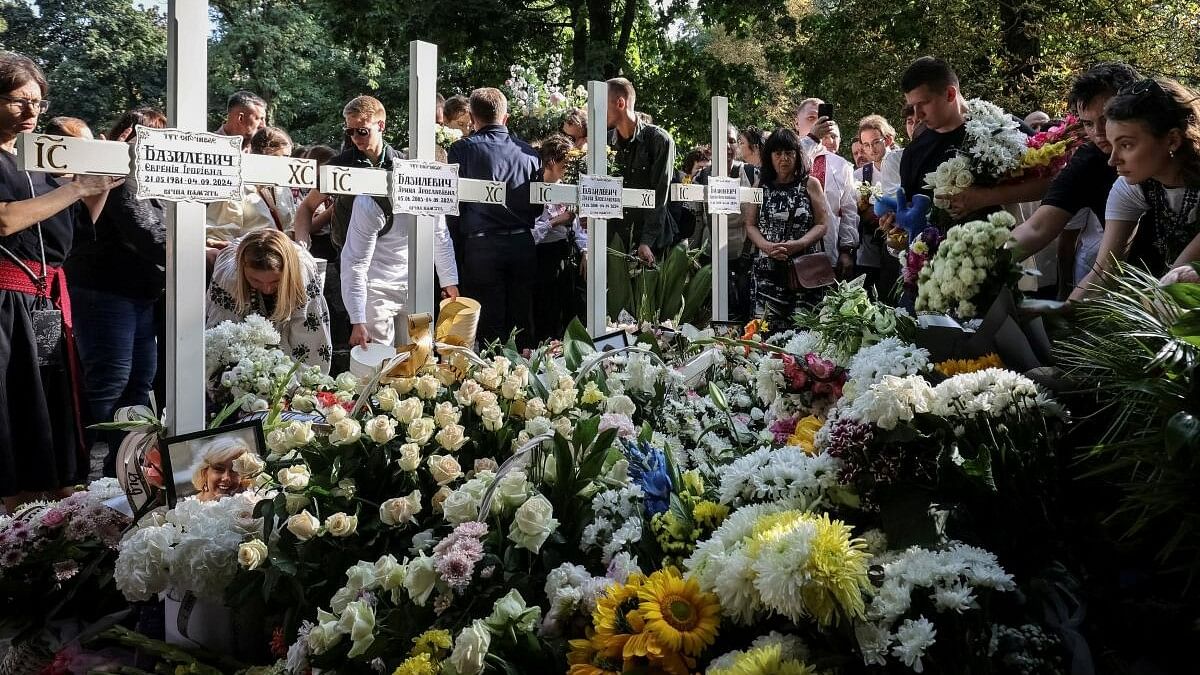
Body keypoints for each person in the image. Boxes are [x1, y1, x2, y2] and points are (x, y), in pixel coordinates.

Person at [0, 52, 122, 510]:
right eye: (18, 101)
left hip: (44, 302)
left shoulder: (38, 162)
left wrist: (99, 188)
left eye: (38, 102)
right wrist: (74, 187)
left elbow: (68, 237)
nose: (31, 112)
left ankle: (48, 524)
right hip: (3, 303)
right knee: (10, 412)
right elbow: (6, 221)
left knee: (46, 413)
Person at [65, 107, 168, 478]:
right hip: (105, 293)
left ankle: (125, 466)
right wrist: (199, 253)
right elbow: (146, 235)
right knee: (112, 381)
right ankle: (97, 471)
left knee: (141, 380)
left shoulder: (155, 180)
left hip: (141, 295)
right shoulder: (119, 177)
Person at [1009, 63, 1141, 285]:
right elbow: (1037, 227)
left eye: (1107, 119)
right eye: (1088, 123)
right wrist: (975, 266)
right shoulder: (1088, 161)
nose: (1098, 133)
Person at [1072, 77, 1200, 300]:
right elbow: (1104, 270)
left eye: (1126, 145)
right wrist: (1063, 311)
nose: (1113, 160)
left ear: (1172, 140)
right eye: (1113, 146)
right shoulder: (1131, 187)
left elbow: (1173, 284)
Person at [447, 87, 541, 348]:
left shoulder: (462, 150)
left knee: (489, 324)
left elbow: (454, 206)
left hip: (482, 246)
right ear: (505, 118)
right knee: (522, 319)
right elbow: (538, 208)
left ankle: (493, 381)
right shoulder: (531, 155)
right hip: (522, 245)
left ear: (473, 119)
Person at [341, 189, 459, 348]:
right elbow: (355, 262)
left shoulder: (432, 194)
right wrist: (357, 318)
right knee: (380, 362)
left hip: (417, 287)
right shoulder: (370, 203)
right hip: (376, 290)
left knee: (419, 356)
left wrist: (449, 282)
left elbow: (440, 237)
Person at [207, 229, 332, 370]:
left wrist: (303, 384)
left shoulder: (302, 277)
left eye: (275, 281)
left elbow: (311, 342)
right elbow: (222, 337)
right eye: (256, 280)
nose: (266, 288)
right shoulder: (229, 277)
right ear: (242, 269)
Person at [742, 128, 831, 322]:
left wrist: (799, 244)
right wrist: (767, 246)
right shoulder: (759, 186)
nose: (784, 158)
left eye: (789, 153)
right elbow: (750, 224)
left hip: (805, 271)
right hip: (767, 270)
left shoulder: (810, 184)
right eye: (778, 153)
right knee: (764, 333)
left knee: (804, 333)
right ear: (770, 156)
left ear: (797, 155)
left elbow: (822, 224)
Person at [607, 77, 676, 263]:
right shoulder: (603, 142)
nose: (596, 112)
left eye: (601, 104)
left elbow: (660, 195)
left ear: (620, 103)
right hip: (613, 241)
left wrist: (646, 241)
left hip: (650, 244)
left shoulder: (659, 140)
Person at [794, 98, 859, 278]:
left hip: (828, 255)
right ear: (796, 121)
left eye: (820, 117)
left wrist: (846, 250)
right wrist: (812, 138)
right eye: (811, 118)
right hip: (788, 252)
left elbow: (848, 210)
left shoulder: (841, 165)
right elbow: (793, 169)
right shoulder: (782, 156)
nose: (817, 123)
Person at [531, 134, 587, 341]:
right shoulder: (535, 187)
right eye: (566, 162)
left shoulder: (567, 188)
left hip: (563, 254)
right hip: (541, 257)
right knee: (544, 311)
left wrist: (585, 251)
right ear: (552, 161)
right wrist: (555, 221)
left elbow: (578, 228)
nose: (569, 167)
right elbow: (531, 234)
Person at [206, 126, 297, 243]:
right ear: (264, 154)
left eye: (288, 158)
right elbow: (218, 237)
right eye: (283, 158)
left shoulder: (283, 188)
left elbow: (291, 227)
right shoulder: (235, 186)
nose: (287, 164)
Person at [855, 114, 901, 298]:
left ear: (888, 139)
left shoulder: (902, 163)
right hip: (872, 250)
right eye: (866, 145)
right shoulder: (860, 175)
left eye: (876, 142)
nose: (871, 149)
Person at [190, 436, 251, 502]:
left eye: (234, 470)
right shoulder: (186, 508)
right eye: (219, 469)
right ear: (205, 471)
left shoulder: (249, 502)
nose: (226, 478)